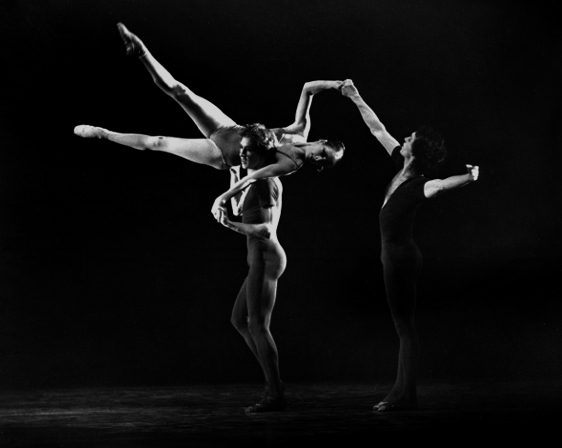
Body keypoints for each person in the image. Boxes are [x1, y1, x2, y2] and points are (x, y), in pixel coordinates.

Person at [74, 23, 345, 216]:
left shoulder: (290, 164)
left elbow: (252, 178)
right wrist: (337, 85)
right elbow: (308, 88)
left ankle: (102, 133)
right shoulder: (300, 130)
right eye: (323, 153)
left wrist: (224, 197)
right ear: (320, 141)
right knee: (182, 92)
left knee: (158, 142)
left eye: (324, 163)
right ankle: (141, 50)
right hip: (232, 129)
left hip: (221, 154)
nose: (318, 160)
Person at [340, 79, 479, 412]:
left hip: (402, 258)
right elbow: (377, 129)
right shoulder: (399, 166)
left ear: (415, 151)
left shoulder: (419, 184)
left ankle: (403, 394)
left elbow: (442, 185)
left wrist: (469, 178)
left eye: (410, 138)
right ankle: (405, 393)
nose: (403, 139)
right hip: (393, 255)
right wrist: (356, 97)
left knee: (404, 327)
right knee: (402, 326)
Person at [217, 123, 287, 413]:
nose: (242, 154)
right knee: (239, 320)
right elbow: (240, 209)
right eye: (241, 149)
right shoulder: (252, 179)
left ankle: (275, 394)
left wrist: (230, 225)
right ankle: (274, 381)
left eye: (248, 150)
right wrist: (234, 178)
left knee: (258, 325)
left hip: (266, 255)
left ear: (263, 152)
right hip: (256, 256)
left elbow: (266, 229)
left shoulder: (264, 181)